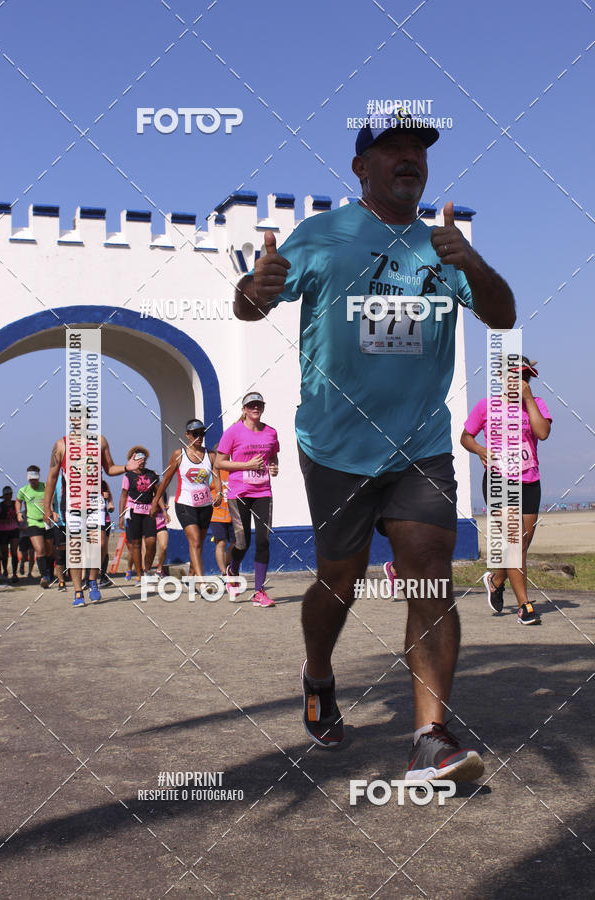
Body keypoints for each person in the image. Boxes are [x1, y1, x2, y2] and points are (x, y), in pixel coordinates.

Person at [234, 115, 515, 781]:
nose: (409, 157)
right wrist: (254, 288)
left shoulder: (442, 246)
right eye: (394, 148)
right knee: (340, 579)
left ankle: (429, 737)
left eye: (418, 148)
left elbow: (503, 315)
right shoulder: (323, 235)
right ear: (362, 168)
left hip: (420, 446)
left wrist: (471, 261)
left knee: (429, 570)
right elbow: (252, 305)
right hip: (335, 445)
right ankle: (318, 673)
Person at [461, 356, 552, 625]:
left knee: (521, 544)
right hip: (499, 480)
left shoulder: (537, 404)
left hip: (530, 481)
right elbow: (466, 437)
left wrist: (528, 398)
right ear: (501, 378)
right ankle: (525, 606)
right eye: (515, 376)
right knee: (515, 542)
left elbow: (543, 433)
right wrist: (480, 450)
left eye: (525, 377)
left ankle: (497, 580)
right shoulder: (486, 406)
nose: (520, 381)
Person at [43, 434, 138, 607]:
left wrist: (126, 467)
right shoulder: (61, 445)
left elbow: (109, 468)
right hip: (72, 504)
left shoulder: (100, 441)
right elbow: (52, 476)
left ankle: (92, 579)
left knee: (100, 543)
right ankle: (78, 591)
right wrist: (47, 506)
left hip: (95, 502)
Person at [216, 394, 280, 607]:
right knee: (242, 543)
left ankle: (259, 592)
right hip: (239, 494)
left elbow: (273, 455)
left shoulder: (271, 432)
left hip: (263, 492)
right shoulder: (233, 432)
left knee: (263, 540)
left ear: (263, 408)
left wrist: (274, 466)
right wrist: (247, 466)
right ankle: (232, 570)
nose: (255, 408)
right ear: (244, 409)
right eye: (251, 405)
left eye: (259, 405)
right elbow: (219, 463)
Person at [150, 420, 222, 583]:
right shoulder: (179, 454)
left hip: (205, 505)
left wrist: (219, 493)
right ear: (187, 435)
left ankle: (190, 578)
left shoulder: (211, 455)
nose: (199, 437)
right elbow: (166, 480)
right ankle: (201, 582)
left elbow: (216, 476)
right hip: (185, 504)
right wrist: (155, 502)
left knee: (199, 544)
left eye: (202, 433)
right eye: (195, 434)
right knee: (195, 540)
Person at [118, 448, 159, 583]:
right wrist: (120, 516)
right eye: (139, 460)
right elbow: (123, 495)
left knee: (151, 541)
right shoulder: (128, 476)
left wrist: (162, 509)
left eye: (143, 460)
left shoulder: (151, 474)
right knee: (135, 544)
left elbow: (157, 493)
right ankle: (139, 574)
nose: (141, 462)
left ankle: (147, 569)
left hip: (148, 511)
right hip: (133, 511)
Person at [16, 467, 54, 589]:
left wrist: (53, 511)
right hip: (33, 522)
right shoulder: (24, 490)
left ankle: (49, 572)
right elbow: (18, 501)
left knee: (49, 550)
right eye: (31, 479)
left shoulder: (45, 487)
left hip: (47, 522)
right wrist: (18, 513)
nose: (33, 481)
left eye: (35, 479)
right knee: (39, 549)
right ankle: (44, 577)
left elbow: (53, 499)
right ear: (28, 478)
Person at [209, 455, 235, 577]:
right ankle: (224, 573)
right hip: (216, 514)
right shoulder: (211, 472)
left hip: (233, 513)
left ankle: (227, 565)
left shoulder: (233, 469)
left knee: (236, 543)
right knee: (221, 543)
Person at [0, 486, 20, 583]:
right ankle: (5, 571)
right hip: (3, 530)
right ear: (4, 495)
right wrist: (5, 521)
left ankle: (14, 573)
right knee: (4, 553)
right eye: (6, 494)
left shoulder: (15, 504)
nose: (8, 496)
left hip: (14, 529)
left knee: (14, 552)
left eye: (9, 494)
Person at [154, 490, 171, 577]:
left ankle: (159, 569)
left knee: (164, 547)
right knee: (148, 548)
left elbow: (164, 504)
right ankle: (145, 571)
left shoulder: (162, 490)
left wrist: (165, 509)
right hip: (148, 521)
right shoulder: (145, 490)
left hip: (161, 522)